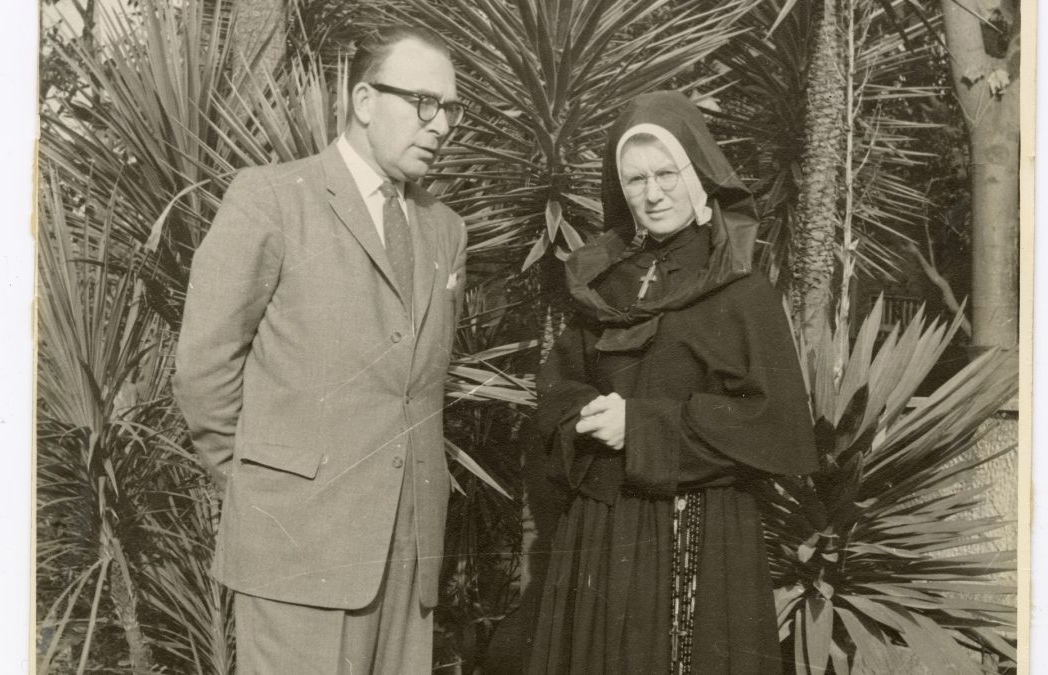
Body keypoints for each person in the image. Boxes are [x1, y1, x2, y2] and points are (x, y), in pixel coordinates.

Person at [173, 26, 466, 674]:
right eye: (424, 102)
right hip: (298, 553)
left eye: (450, 108)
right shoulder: (273, 198)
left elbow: (414, 384)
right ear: (364, 101)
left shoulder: (447, 229)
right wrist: (273, 484)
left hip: (408, 558)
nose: (440, 123)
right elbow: (202, 369)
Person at [529, 91, 819, 674]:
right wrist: (585, 412)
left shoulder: (743, 293)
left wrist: (641, 425)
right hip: (603, 525)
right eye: (635, 180)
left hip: (701, 528)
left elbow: (773, 421)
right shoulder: (603, 283)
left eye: (666, 174)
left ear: (700, 179)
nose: (652, 192)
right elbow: (558, 385)